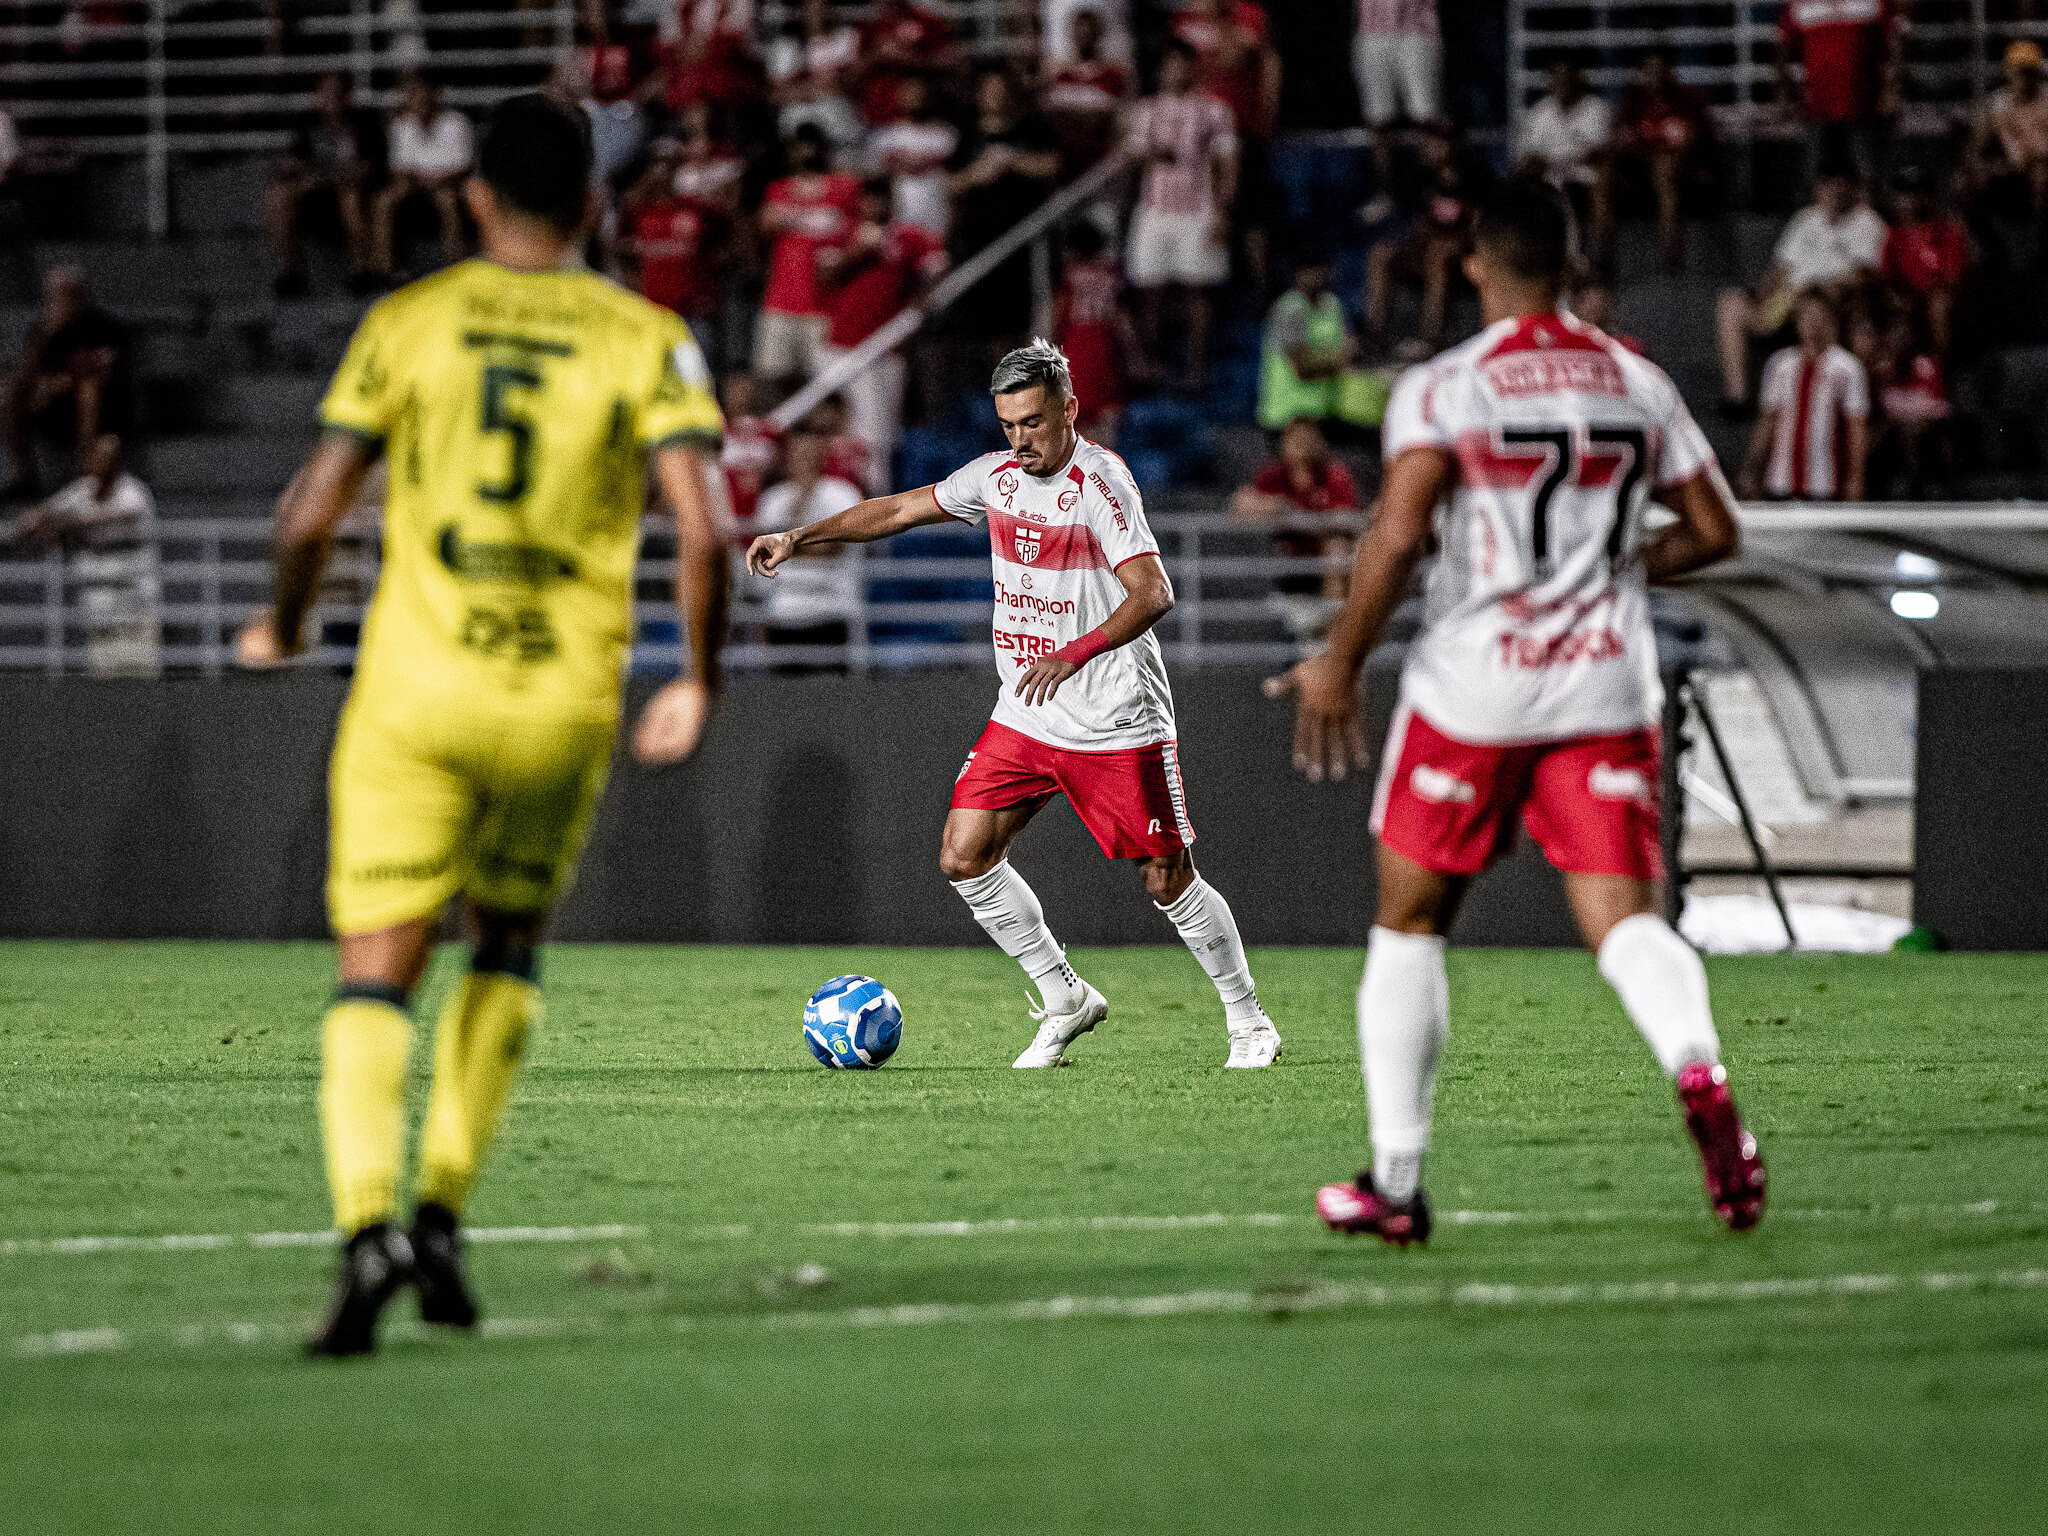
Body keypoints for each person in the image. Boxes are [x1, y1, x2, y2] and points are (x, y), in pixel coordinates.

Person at [232, 94, 730, 1356]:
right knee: (504, 947)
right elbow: (705, 525)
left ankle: (365, 1233)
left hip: (416, 693)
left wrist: (284, 630)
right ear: (597, 207)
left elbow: (309, 515)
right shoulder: (647, 335)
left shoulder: (410, 320)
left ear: (469, 197)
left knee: (376, 967)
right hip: (559, 700)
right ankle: (445, 1213)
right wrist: (696, 678)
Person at [1266, 179, 1762, 1244]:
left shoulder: (1447, 386)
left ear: (1478, 268)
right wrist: (1619, 567)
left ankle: (1394, 1187)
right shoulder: (1636, 379)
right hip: (1602, 682)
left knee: (1408, 925)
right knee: (1624, 922)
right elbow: (1717, 531)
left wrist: (1336, 663)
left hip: (1473, 687)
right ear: (1573, 263)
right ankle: (1699, 1074)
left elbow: (1397, 536)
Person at [747, 339, 1284, 1071]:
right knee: (964, 856)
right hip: (1028, 714)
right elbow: (902, 508)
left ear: (1069, 409)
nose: (1021, 440)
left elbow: (1154, 592)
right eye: (1008, 426)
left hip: (1113, 713)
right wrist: (797, 537)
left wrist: (1074, 652)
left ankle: (1248, 1019)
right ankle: (1065, 997)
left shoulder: (1102, 484)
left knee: (1165, 877)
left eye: (1033, 422)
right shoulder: (995, 479)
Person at [816, 177, 949, 493]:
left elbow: (938, 266)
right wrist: (860, 249)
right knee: (834, 434)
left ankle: (876, 515)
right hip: (839, 346)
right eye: (870, 198)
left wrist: (923, 292)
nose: (876, 205)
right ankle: (835, 502)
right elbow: (822, 275)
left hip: (883, 352)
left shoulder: (909, 236)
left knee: (876, 440)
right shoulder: (845, 232)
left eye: (882, 197)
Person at [1715, 164, 1885, 412]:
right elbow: (1781, 268)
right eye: (1829, 184)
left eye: (1842, 184)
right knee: (1731, 302)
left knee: (1814, 303)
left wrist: (1820, 289)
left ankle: (1822, 402)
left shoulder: (1867, 222)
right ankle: (1737, 397)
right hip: (1788, 300)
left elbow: (1866, 275)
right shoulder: (1806, 218)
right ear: (1819, 189)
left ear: (1853, 189)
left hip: (1834, 301)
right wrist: (1759, 293)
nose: (1835, 190)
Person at [1125, 40, 1237, 393]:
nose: (1173, 71)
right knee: (1149, 290)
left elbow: (1228, 164)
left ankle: (1196, 367)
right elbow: (1130, 156)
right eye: (1168, 64)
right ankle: (1151, 365)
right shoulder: (1146, 110)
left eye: (1181, 64)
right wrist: (1148, 154)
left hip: (1198, 210)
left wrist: (1222, 212)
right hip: (1154, 210)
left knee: (1197, 290)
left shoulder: (1215, 111)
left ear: (1193, 68)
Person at [12, 431, 159, 676]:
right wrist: (46, 525)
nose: (103, 462)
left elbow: (120, 515)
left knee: (140, 686)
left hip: (135, 608)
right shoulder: (82, 492)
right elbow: (30, 519)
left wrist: (68, 524)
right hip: (98, 609)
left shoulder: (134, 492)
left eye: (110, 456)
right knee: (102, 691)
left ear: (120, 461)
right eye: (98, 455)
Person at [946, 70, 1061, 352]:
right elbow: (950, 182)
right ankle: (1003, 384)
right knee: (992, 321)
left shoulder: (1032, 130)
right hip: (983, 240)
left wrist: (1012, 161)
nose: (996, 96)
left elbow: (1052, 165)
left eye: (1001, 89)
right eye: (990, 90)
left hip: (1027, 240)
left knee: (1028, 318)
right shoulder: (967, 136)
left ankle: (1028, 381)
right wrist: (976, 174)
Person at [3, 266, 133, 501]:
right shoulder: (44, 330)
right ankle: (25, 477)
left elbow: (110, 366)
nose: (55, 302)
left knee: (88, 390)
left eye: (62, 294)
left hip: (101, 409)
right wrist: (46, 337)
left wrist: (64, 382)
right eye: (50, 296)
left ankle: (89, 473)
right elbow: (22, 375)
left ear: (79, 295)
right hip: (52, 408)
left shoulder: (105, 327)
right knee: (6, 395)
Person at [1364, 120, 1487, 360]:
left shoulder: (1477, 179)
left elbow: (1480, 230)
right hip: (1426, 248)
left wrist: (1450, 243)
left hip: (1463, 256)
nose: (1427, 148)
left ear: (1451, 145)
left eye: (1434, 142)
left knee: (1439, 254)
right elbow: (1413, 226)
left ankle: (1430, 337)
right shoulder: (1419, 179)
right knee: (1381, 253)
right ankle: (1374, 334)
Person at [1230, 415, 1358, 643]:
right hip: (1285, 570)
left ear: (1320, 442)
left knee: (1338, 548)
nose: (1302, 444)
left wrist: (1297, 518)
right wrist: (1280, 507)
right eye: (1295, 439)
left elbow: (1345, 519)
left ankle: (1336, 633)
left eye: (1308, 438)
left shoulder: (1332, 474)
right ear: (1284, 444)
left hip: (1322, 571)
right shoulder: (1274, 474)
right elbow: (1241, 504)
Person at [1739, 290, 1869, 502]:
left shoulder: (1847, 367)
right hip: (1780, 480)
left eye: (1819, 316)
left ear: (1830, 321)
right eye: (1806, 315)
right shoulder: (1780, 363)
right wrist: (1753, 468)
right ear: (1797, 320)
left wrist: (1856, 480)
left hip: (1826, 483)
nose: (1812, 323)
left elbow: (1857, 428)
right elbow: (1768, 421)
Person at [756, 123, 861, 386]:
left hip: (825, 305)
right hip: (781, 302)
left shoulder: (844, 189)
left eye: (811, 143)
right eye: (799, 144)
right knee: (774, 380)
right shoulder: (778, 190)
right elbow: (763, 227)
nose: (806, 151)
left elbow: (856, 238)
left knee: (824, 385)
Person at [753, 420, 865, 665]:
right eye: (798, 452)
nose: (803, 458)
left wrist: (787, 543)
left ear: (821, 453)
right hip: (783, 611)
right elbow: (766, 554)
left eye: (809, 451)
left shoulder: (842, 493)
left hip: (832, 608)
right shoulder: (773, 499)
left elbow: (833, 547)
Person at [270, 71, 385, 298]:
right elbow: (290, 162)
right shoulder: (306, 121)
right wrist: (305, 174)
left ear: (348, 95)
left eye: (337, 92)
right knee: (280, 196)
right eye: (326, 92)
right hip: (316, 194)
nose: (331, 98)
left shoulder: (365, 121)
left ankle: (364, 270)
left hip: (352, 191)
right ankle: (288, 272)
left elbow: (367, 169)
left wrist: (325, 177)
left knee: (350, 199)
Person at [1777, 0, 1902, 192]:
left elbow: (1894, 46)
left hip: (1864, 106)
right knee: (1816, 176)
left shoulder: (1874, 3)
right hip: (1817, 108)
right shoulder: (1801, 5)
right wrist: (1785, 95)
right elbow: (1782, 49)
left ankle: (1869, 217)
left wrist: (1892, 92)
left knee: (1868, 175)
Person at [1614, 49, 1713, 275]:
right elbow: (1623, 141)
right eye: (1650, 70)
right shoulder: (1634, 102)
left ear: (1671, 72)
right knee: (1605, 177)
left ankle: (1671, 257)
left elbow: (1693, 144)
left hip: (1681, 172)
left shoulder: (1688, 101)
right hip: (1638, 172)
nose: (1655, 75)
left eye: (1660, 70)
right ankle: (1600, 264)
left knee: (1664, 170)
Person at [617, 138, 730, 333]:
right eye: (657, 163)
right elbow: (619, 250)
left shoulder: (697, 210)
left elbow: (724, 246)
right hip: (650, 313)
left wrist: (710, 291)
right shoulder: (637, 212)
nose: (663, 170)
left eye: (670, 164)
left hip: (691, 314)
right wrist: (632, 287)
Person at [369, 74, 475, 281]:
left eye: (418, 93)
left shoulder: (456, 122)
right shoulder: (401, 125)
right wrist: (421, 180)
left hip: (448, 185)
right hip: (413, 185)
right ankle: (382, 270)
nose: (414, 99)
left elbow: (463, 168)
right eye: (409, 94)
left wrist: (434, 180)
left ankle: (454, 266)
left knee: (447, 199)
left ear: (434, 95)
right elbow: (397, 171)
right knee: (383, 200)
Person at [1515, 56, 1613, 272]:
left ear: (1577, 78)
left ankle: (1600, 265)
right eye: (1556, 77)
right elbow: (1530, 157)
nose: (1562, 82)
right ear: (1549, 81)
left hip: (1589, 177)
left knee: (1597, 186)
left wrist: (1561, 160)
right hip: (1552, 179)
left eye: (1567, 76)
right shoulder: (1539, 114)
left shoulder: (1595, 109)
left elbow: (1600, 152)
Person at [1352, 0, 1441, 223]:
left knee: (1426, 118)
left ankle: (1435, 193)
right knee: (1379, 120)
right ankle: (1383, 196)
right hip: (1372, 30)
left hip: (1416, 27)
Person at [1053, 220, 1136, 443]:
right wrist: (1134, 356)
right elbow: (1121, 319)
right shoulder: (1112, 273)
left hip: (1075, 348)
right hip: (1105, 347)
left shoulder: (1068, 276)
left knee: (1075, 426)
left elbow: (1056, 316)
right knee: (1107, 423)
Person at [1878, 164, 1968, 358]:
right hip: (1906, 299)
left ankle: (1939, 367)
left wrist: (1925, 292)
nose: (1911, 200)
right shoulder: (1893, 235)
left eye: (1917, 193)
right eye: (1905, 194)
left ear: (1929, 196)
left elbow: (1954, 277)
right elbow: (1887, 276)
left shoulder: (1947, 231)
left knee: (1939, 303)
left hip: (1939, 299)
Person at [1258, 250, 1351, 431]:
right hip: (1287, 418)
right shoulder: (1287, 309)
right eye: (1310, 271)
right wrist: (1344, 360)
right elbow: (1302, 368)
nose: (1317, 276)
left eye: (1321, 270)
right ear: (1297, 274)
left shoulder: (1333, 305)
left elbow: (1350, 348)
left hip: (1323, 413)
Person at [1044, 7, 1134, 181]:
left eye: (1089, 31)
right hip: (1068, 171)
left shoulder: (1113, 77)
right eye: (1079, 31)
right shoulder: (1061, 79)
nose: (1084, 36)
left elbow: (1123, 119)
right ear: (1072, 36)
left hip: (1102, 170)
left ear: (1098, 35)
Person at [1967, 40, 2048, 227]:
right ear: (2009, 72)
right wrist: (1984, 165)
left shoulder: (2045, 101)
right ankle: (1988, 244)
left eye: (2029, 72)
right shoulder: (1996, 104)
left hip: (2039, 166)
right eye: (2020, 71)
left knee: (2041, 178)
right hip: (2008, 168)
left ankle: (2041, 245)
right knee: (1966, 182)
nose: (2024, 78)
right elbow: (1977, 146)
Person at [868, 75, 959, 239]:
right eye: (910, 91)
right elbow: (877, 179)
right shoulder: (885, 137)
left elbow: (955, 179)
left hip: (936, 208)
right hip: (900, 209)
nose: (916, 96)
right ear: (898, 96)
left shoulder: (946, 135)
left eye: (920, 91)